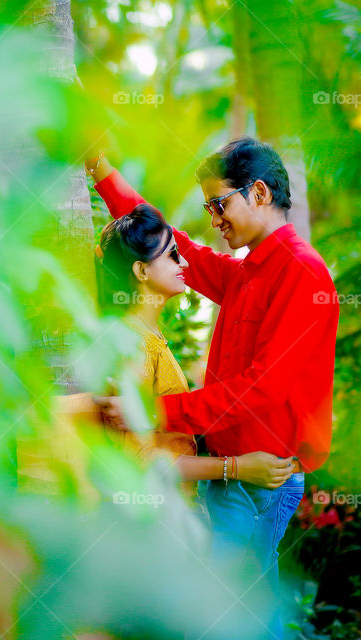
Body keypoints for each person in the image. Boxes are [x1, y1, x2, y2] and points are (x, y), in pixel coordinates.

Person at [87, 138, 339, 638]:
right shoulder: (247, 271)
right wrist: (101, 169)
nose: (213, 218)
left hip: (255, 481)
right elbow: (167, 241)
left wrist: (155, 413)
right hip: (231, 476)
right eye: (208, 207)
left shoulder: (301, 271)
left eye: (219, 203)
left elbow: (261, 389)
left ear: (260, 193)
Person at [59, 202, 297, 491]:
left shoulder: (147, 334)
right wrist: (235, 468)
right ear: (142, 271)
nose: (184, 264)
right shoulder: (135, 346)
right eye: (173, 255)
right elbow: (140, 462)